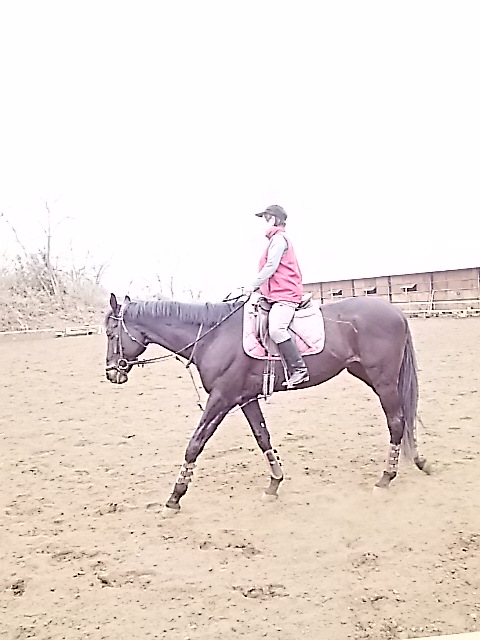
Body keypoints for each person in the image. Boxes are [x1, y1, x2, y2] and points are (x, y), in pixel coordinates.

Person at [247, 205, 310, 387]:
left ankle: (299, 369)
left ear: (273, 219)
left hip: (285, 294)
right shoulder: (275, 240)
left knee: (276, 329)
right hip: (275, 294)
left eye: (265, 220)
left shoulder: (279, 239)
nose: (264, 225)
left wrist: (252, 285)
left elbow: (271, 266)